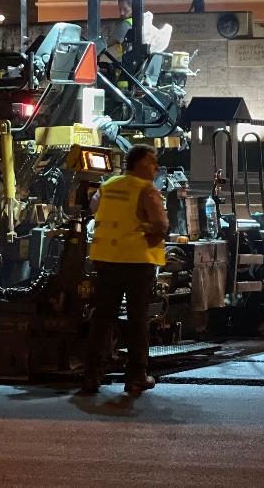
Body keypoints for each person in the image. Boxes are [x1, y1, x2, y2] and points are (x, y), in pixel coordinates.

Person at [79, 144, 169, 397]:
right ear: (139, 164)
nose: (156, 166)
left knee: (102, 319)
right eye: (152, 161)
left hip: (105, 260)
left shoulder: (108, 186)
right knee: (137, 320)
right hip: (137, 262)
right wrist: (149, 235)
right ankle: (136, 377)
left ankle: (91, 376)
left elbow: (96, 209)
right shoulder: (146, 190)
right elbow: (161, 225)